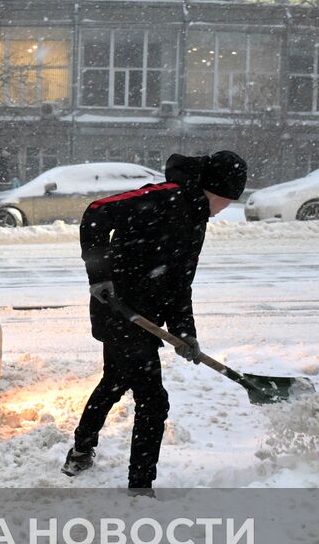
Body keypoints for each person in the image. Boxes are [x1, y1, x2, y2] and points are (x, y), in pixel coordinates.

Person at [62, 150, 248, 488]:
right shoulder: (161, 197)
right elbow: (95, 214)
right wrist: (99, 277)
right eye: (226, 200)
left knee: (114, 382)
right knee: (153, 401)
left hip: (144, 319)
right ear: (214, 189)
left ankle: (80, 450)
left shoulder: (196, 220)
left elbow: (180, 283)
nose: (224, 209)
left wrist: (184, 332)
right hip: (118, 309)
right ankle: (140, 486)